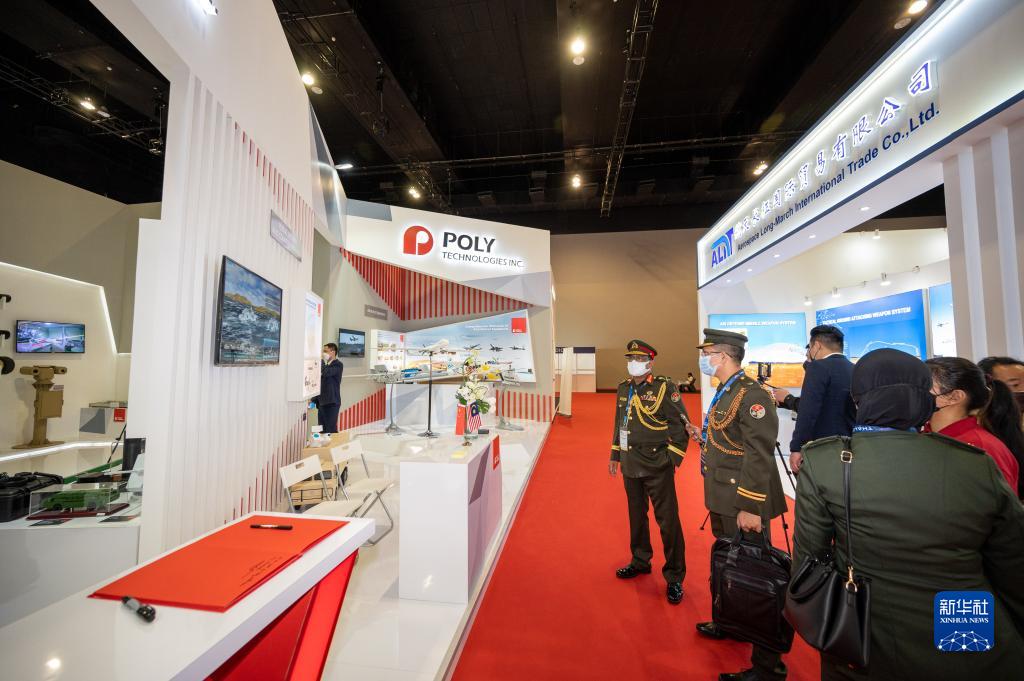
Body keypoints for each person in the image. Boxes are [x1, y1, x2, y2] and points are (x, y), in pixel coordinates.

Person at [794, 349, 1024, 681]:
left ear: (857, 401)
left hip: (866, 636)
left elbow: (809, 562)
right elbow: (1012, 564)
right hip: (964, 629)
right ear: (924, 402)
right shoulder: (975, 462)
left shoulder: (826, 461)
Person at [694, 329, 788, 681]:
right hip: (723, 495)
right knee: (730, 565)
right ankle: (730, 621)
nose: (703, 359)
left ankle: (767, 668)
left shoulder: (752, 394)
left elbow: (759, 453)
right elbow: (728, 437)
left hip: (743, 500)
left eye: (707, 353)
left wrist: (749, 506)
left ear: (722, 356)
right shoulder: (727, 389)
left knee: (757, 577)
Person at [608, 339, 690, 605]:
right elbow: (619, 424)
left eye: (639, 359)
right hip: (631, 463)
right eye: (630, 359)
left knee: (668, 521)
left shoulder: (664, 388)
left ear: (650, 363)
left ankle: (674, 576)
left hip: (657, 465)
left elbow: (680, 426)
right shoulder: (624, 388)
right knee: (636, 517)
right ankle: (640, 560)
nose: (633, 363)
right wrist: (615, 454)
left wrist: (671, 459)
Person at [926, 356, 1023, 496]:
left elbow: (994, 506)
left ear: (955, 397)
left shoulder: (979, 447)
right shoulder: (927, 436)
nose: (911, 394)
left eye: (922, 386)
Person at [772, 325, 855, 473]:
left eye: (809, 348)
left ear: (817, 346)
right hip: (849, 448)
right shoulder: (854, 368)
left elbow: (808, 411)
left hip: (823, 449)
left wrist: (796, 447)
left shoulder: (818, 367)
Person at [318, 343, 343, 434]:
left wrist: (321, 361)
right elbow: (321, 383)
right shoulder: (326, 365)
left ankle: (333, 443)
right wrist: (314, 400)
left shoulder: (338, 365)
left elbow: (326, 373)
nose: (323, 353)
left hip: (332, 402)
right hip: (322, 402)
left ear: (333, 352)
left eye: (325, 351)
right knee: (321, 429)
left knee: (330, 430)